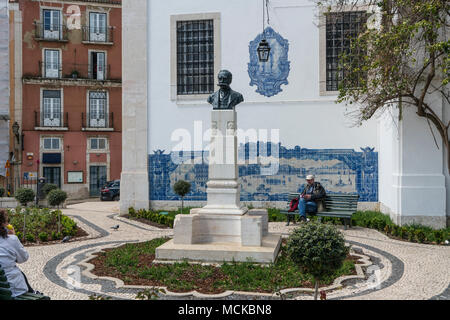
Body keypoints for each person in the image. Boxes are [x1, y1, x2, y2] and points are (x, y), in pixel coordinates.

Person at [0, 209, 36, 297]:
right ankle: (33, 292)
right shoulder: (11, 239)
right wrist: (14, 236)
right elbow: (24, 258)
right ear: (4, 224)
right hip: (12, 290)